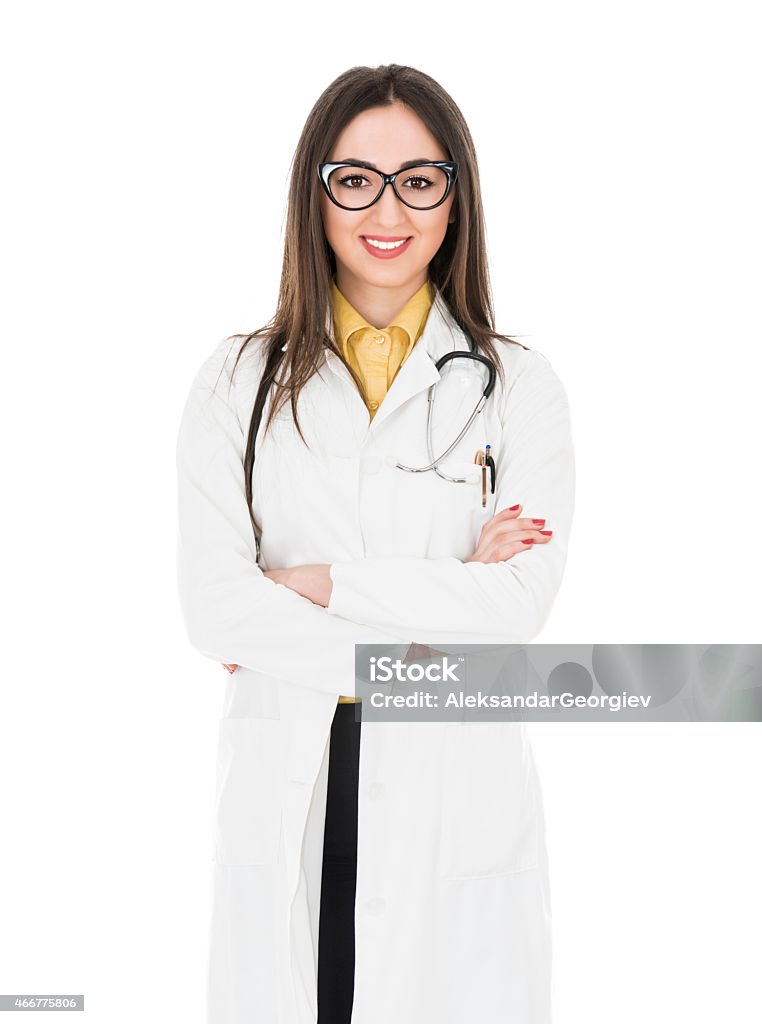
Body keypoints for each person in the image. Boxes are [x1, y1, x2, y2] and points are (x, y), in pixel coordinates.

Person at [176, 63, 575, 1024]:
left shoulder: (518, 387)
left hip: (453, 799)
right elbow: (215, 607)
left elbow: (518, 607)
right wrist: (442, 608)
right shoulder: (238, 380)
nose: (384, 208)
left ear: (454, 197)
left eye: (417, 179)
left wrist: (307, 586)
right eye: (353, 179)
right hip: (292, 789)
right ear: (314, 193)